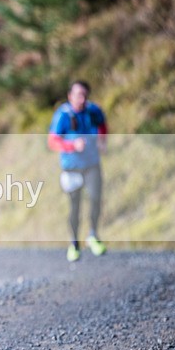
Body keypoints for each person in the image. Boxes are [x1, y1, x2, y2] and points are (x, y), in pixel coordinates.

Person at [48, 80, 108, 262]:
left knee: (96, 199)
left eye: (84, 95)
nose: (81, 99)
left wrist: (102, 141)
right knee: (75, 206)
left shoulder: (93, 110)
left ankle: (93, 235)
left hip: (92, 164)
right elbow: (52, 141)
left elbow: (102, 125)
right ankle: (74, 243)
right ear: (70, 96)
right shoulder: (63, 115)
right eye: (78, 95)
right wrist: (71, 145)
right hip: (71, 167)